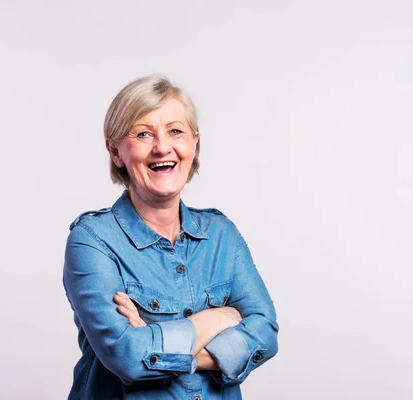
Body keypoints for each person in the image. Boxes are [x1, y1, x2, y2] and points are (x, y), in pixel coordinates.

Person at [63, 75, 278, 400]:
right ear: (116, 151)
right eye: (143, 133)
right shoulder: (92, 240)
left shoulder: (222, 235)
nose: (162, 147)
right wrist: (215, 319)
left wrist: (156, 342)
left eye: (175, 131)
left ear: (194, 143)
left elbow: (265, 333)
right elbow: (128, 357)